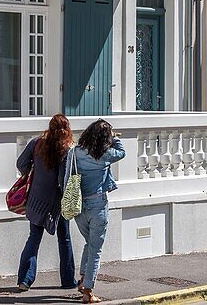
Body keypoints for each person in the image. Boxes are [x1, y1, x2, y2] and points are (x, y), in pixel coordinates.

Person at [16, 114, 76, 291]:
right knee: (64, 239)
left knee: (34, 238)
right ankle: (67, 280)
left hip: (37, 198)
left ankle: (24, 280)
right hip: (58, 202)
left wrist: (33, 174)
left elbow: (21, 163)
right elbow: (64, 179)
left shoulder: (36, 143)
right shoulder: (67, 150)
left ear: (49, 127)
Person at [69, 119, 125, 304]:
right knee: (95, 250)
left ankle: (83, 278)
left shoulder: (76, 152)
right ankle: (88, 291)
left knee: (89, 243)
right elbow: (122, 152)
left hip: (78, 206)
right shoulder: (105, 154)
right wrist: (115, 137)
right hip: (97, 204)